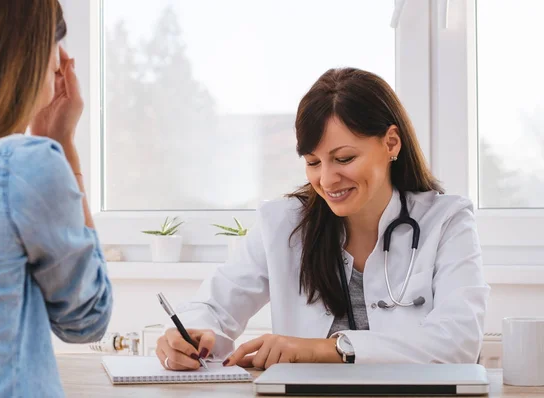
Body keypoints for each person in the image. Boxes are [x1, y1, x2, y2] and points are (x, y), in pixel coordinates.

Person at [156, 67, 490, 370]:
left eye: (344, 158)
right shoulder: (283, 224)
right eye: (313, 163)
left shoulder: (448, 221)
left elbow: (458, 342)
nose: (327, 180)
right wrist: (189, 336)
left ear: (390, 143)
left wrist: (322, 349)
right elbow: (214, 307)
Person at [0, 0, 112, 396]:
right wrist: (61, 142)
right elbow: (87, 320)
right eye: (57, 45)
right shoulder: (23, 166)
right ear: (33, 55)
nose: (62, 65)